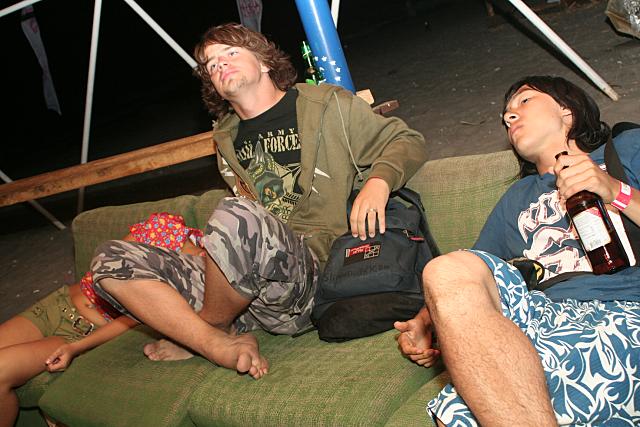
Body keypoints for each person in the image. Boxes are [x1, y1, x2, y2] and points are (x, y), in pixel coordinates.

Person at [89, 23, 428, 380]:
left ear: (265, 62)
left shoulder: (326, 106)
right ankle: (213, 336)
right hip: (254, 294)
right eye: (211, 64)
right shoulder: (226, 138)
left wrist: (378, 181)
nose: (220, 64)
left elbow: (406, 140)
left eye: (231, 53)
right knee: (109, 259)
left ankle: (207, 334)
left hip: (317, 277)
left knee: (236, 214)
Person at [395, 76, 640, 426]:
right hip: (543, 318)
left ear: (567, 111)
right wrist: (423, 322)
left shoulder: (626, 148)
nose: (509, 116)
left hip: (623, 306)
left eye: (524, 102)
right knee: (444, 269)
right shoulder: (516, 199)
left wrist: (614, 190)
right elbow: (467, 283)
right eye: (506, 115)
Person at [0, 212, 203, 427]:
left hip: (81, 333)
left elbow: (133, 319)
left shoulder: (196, 290)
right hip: (56, 304)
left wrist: (76, 347)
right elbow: (107, 267)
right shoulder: (166, 227)